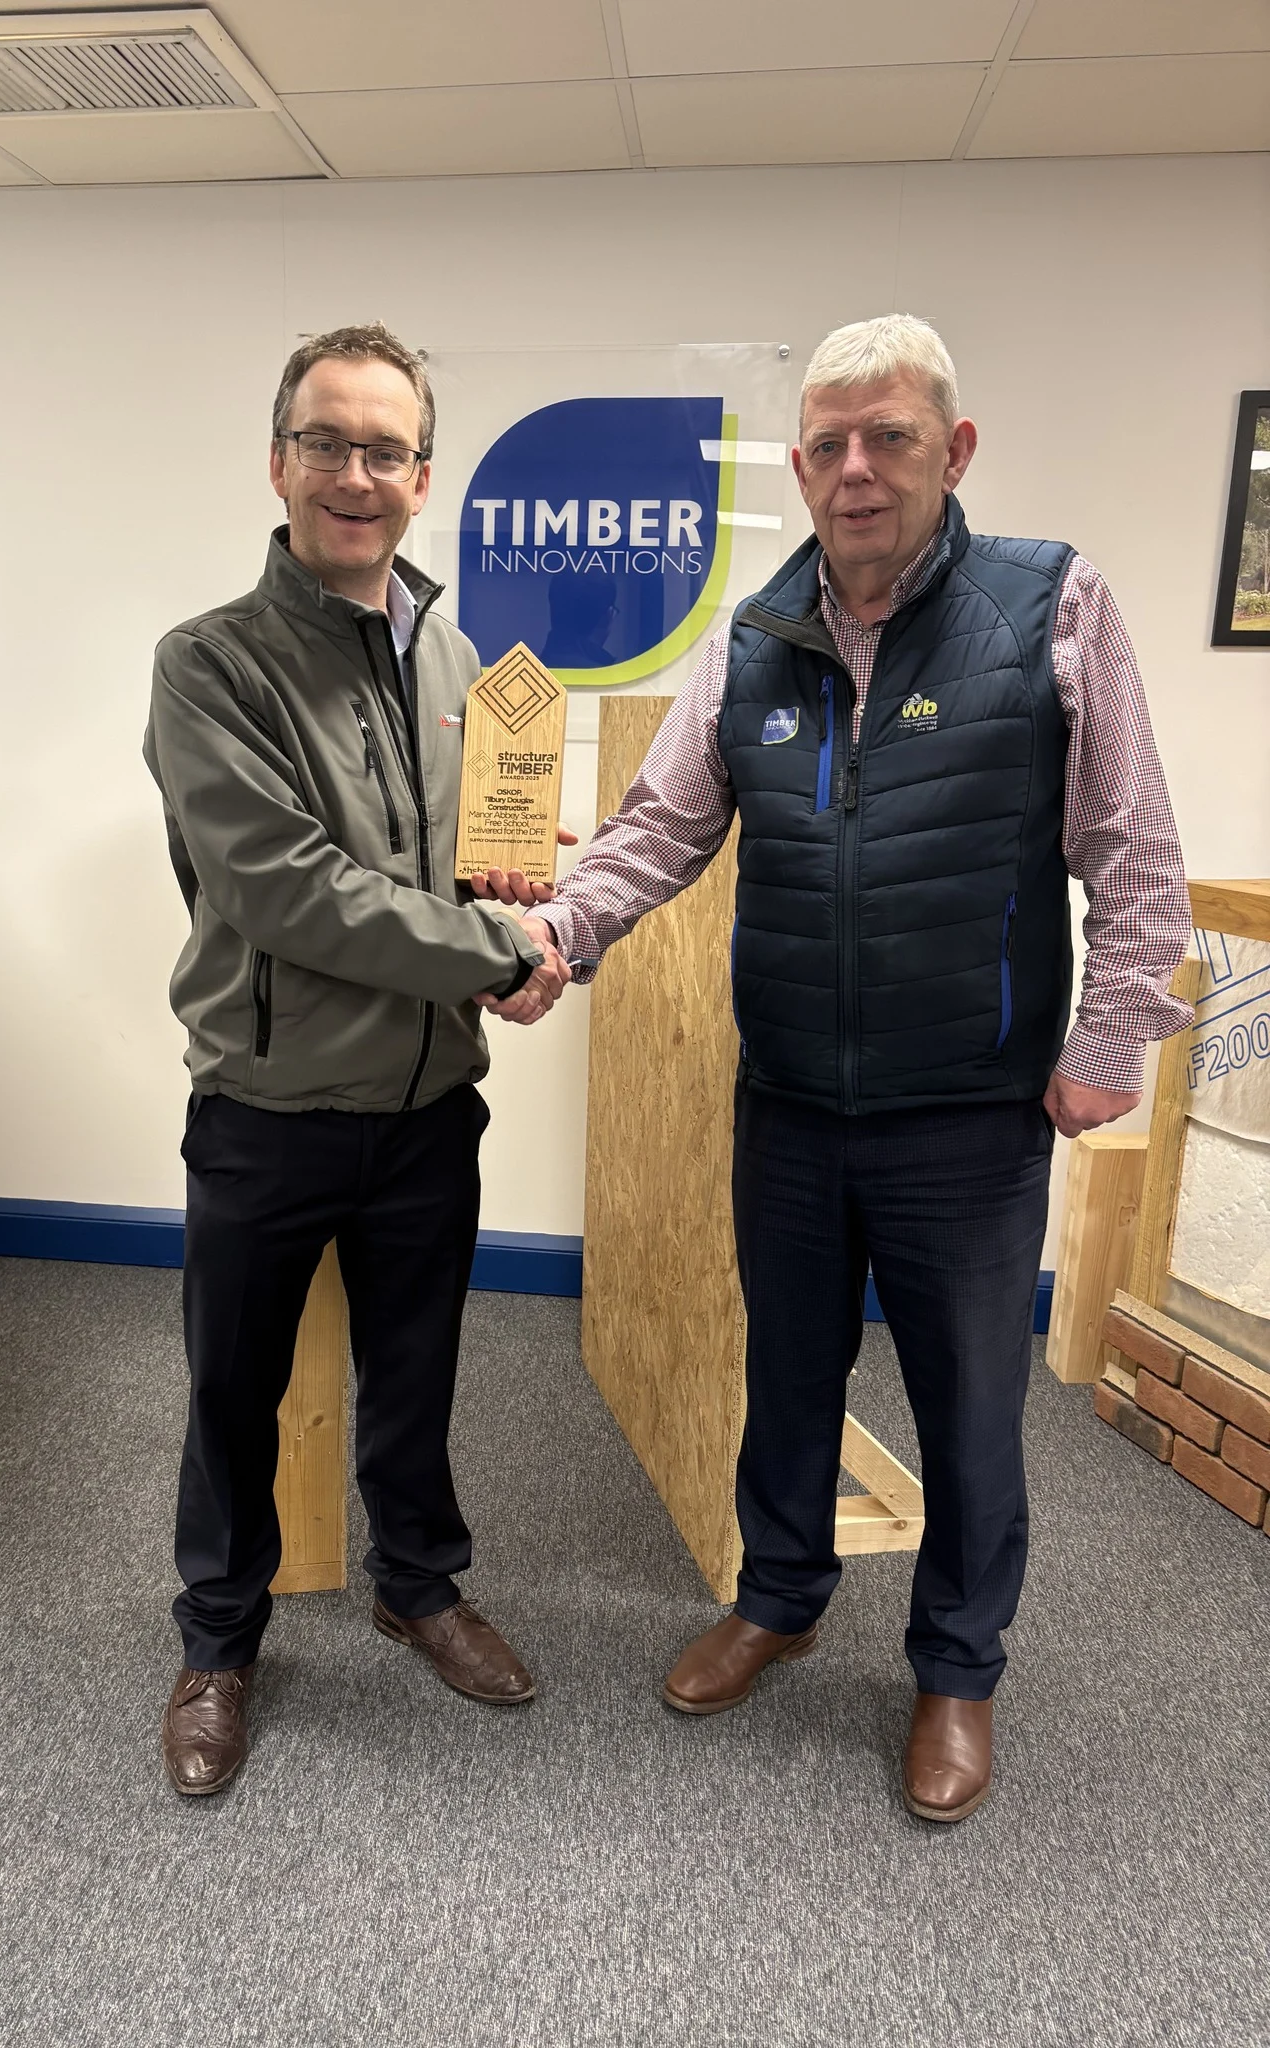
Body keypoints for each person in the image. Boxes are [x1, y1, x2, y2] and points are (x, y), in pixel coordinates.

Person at [485, 314, 1192, 1823]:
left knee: (966, 1407)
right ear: (797, 464)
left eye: (890, 439)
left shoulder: (1051, 607)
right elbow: (661, 830)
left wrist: (1111, 1036)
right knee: (790, 1379)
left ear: (956, 452)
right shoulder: (754, 636)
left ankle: (955, 1669)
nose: (856, 471)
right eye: (828, 444)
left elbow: (1132, 848)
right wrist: (564, 943)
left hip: (970, 1111)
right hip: (794, 1101)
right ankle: (784, 1595)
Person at [145, 323, 573, 1797]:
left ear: (422, 477)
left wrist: (522, 890)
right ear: (278, 463)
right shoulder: (209, 665)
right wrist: (495, 956)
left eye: (384, 450)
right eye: (326, 442)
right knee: (231, 1393)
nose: (355, 473)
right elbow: (287, 888)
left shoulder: (456, 658)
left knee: (416, 1373)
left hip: (428, 1104)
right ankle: (219, 1642)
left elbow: (447, 865)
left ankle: (419, 1582)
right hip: (267, 1103)